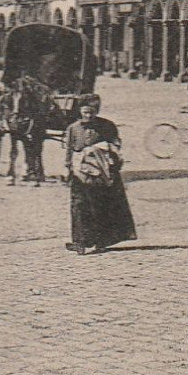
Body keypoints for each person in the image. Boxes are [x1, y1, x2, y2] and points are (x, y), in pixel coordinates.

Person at [63, 95, 136, 255]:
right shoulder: (73, 128)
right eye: (86, 112)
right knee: (79, 205)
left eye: (92, 112)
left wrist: (102, 150)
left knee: (100, 206)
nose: (88, 116)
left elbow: (116, 144)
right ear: (80, 111)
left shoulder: (107, 126)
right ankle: (80, 242)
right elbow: (69, 149)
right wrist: (68, 168)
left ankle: (101, 240)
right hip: (80, 172)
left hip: (101, 173)